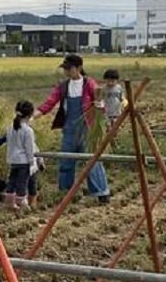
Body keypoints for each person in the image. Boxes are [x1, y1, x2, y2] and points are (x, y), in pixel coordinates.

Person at [34, 53, 110, 203]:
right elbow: (49, 103)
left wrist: (100, 106)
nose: (67, 72)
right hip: (69, 129)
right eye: (65, 69)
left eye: (70, 69)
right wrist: (32, 116)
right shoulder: (63, 87)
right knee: (65, 160)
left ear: (79, 68)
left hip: (87, 128)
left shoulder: (89, 84)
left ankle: (101, 192)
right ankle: (65, 192)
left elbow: (100, 102)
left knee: (92, 161)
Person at [5, 101, 38, 210]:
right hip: (23, 161)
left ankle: (9, 202)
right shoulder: (28, 130)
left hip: (13, 160)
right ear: (30, 115)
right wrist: (32, 162)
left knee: (12, 181)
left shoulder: (11, 127)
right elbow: (29, 148)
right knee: (22, 183)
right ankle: (22, 204)